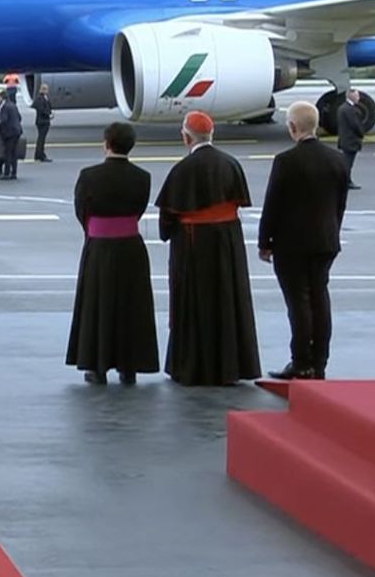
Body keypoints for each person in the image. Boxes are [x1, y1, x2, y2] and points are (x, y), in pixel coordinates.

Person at [156, 111, 262, 386]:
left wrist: (168, 232)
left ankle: (193, 367)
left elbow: (167, 218)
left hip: (193, 244)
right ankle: (231, 366)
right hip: (228, 244)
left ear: (186, 136)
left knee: (194, 302)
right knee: (229, 300)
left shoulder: (182, 170)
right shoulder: (231, 164)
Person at [258, 102, 351, 381]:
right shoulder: (337, 159)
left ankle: (300, 361)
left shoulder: (286, 161)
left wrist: (265, 241)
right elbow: (340, 204)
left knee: (298, 302)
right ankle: (320, 362)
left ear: (292, 127)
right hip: (325, 239)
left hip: (292, 243)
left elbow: (272, 204)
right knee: (320, 298)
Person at [67, 122, 159, 384]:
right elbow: (139, 210)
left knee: (98, 304)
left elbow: (81, 210)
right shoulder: (143, 176)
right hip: (131, 246)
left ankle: (98, 365)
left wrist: (95, 230)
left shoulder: (89, 175)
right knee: (131, 305)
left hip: (99, 246)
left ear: (106, 143)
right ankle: (128, 366)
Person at [336, 89, 366, 190]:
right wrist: (361, 134)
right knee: (348, 163)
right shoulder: (351, 110)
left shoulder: (342, 108)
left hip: (345, 139)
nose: (359, 98)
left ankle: (345, 181)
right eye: (357, 96)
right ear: (352, 97)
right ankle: (346, 182)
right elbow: (355, 125)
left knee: (346, 162)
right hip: (351, 140)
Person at [0, 86, 24, 180]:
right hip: (17, 131)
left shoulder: (5, 106)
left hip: (9, 133)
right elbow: (19, 117)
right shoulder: (12, 104)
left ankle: (7, 173)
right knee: (13, 153)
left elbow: (3, 120)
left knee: (8, 153)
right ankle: (14, 172)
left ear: (1, 97)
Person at [33, 83, 54, 162]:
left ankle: (39, 154)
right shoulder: (40, 98)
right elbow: (41, 109)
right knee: (41, 139)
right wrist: (49, 115)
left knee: (41, 139)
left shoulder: (43, 98)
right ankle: (40, 155)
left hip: (42, 121)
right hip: (43, 121)